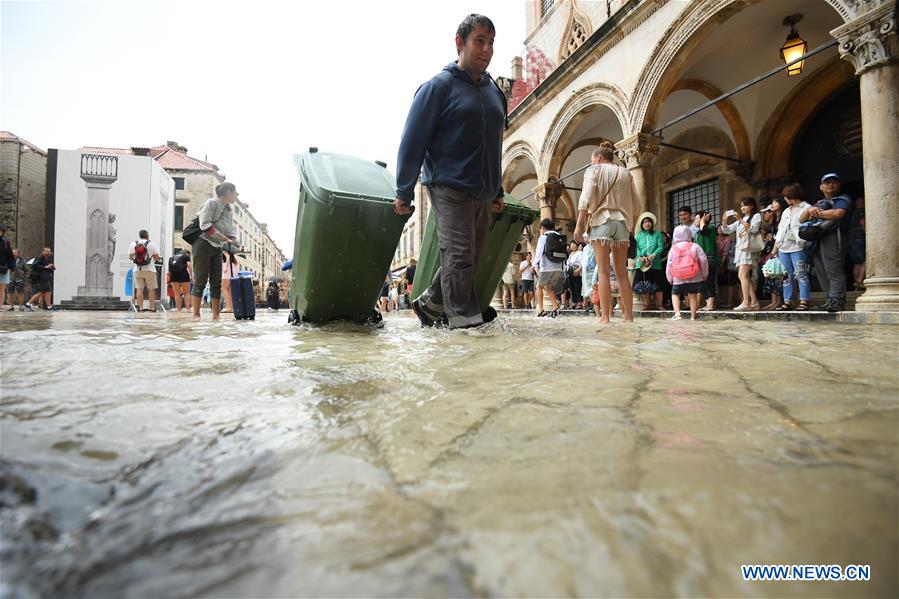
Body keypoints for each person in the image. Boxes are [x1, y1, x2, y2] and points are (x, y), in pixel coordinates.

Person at [395, 14, 506, 330]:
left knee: (469, 257)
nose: (486, 50)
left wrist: (497, 189)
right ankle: (464, 323)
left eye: (491, 43)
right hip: (449, 185)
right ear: (460, 43)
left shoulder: (494, 92)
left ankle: (430, 302)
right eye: (479, 41)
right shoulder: (438, 87)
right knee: (459, 257)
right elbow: (413, 140)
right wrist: (404, 190)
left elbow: (495, 145)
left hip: (483, 190)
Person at [573, 142, 641, 324]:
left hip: (601, 221)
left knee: (603, 271)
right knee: (621, 272)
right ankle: (629, 317)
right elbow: (637, 203)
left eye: (592, 160)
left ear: (599, 158)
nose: (592, 162)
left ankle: (605, 317)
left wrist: (579, 226)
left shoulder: (594, 170)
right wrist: (631, 227)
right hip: (622, 223)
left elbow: (585, 199)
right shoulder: (626, 173)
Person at [800, 173, 853, 312]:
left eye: (834, 182)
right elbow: (801, 219)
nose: (830, 184)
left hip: (835, 237)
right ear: (821, 186)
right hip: (818, 239)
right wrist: (809, 209)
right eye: (827, 182)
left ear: (839, 185)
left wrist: (817, 213)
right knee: (822, 271)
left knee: (834, 270)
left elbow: (838, 213)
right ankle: (829, 300)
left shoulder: (843, 199)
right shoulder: (818, 203)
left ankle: (837, 300)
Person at [192, 182, 239, 320]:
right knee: (200, 279)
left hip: (218, 246)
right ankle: (196, 314)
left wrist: (232, 239)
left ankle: (216, 315)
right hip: (203, 243)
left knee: (216, 281)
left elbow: (231, 229)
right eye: (235, 193)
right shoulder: (211, 203)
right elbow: (204, 224)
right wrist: (223, 237)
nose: (236, 195)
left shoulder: (228, 210)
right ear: (228, 192)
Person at [720, 197, 762, 311]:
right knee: (745, 276)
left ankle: (746, 302)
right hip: (741, 250)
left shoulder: (756, 216)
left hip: (749, 249)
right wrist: (724, 220)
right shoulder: (741, 219)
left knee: (742, 275)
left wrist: (740, 220)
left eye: (745, 205)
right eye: (741, 206)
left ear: (752, 206)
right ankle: (754, 302)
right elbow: (727, 230)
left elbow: (753, 229)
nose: (742, 208)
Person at [666, 225, 709, 321]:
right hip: (694, 276)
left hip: (678, 277)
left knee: (675, 294)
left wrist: (670, 278)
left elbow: (669, 264)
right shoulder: (695, 246)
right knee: (692, 295)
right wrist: (704, 274)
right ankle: (693, 317)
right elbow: (703, 260)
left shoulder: (674, 248)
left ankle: (677, 314)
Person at [633, 212, 665, 311]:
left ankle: (659, 304)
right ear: (642, 224)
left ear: (652, 223)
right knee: (643, 284)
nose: (647, 224)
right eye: (645, 222)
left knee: (657, 284)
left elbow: (660, 247)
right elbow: (636, 248)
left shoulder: (657, 234)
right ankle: (647, 304)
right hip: (642, 263)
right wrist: (641, 256)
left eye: (649, 222)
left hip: (655, 263)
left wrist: (654, 254)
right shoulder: (638, 236)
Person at [534, 218, 564, 317]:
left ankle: (541, 310)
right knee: (549, 287)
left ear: (542, 227)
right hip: (558, 266)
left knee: (539, 286)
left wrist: (534, 264)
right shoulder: (559, 236)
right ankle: (555, 307)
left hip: (546, 266)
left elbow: (539, 252)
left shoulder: (543, 237)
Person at [128, 230, 161, 313]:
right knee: (151, 289)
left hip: (137, 269)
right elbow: (156, 258)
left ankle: (141, 308)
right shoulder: (152, 244)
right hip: (150, 269)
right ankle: (152, 308)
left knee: (139, 289)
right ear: (147, 235)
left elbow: (130, 257)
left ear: (140, 235)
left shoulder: (133, 243)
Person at [692, 211, 718, 311]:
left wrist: (703, 220)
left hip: (709, 258)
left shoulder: (710, 228)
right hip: (700, 260)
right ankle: (708, 304)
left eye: (697, 219)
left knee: (709, 282)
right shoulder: (698, 233)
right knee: (703, 283)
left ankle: (711, 304)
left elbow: (705, 231)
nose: (695, 221)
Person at [848, 197, 866, 291]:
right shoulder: (861, 211)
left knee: (856, 263)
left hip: (850, 240)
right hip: (859, 238)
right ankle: (860, 282)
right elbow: (863, 223)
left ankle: (856, 283)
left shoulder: (851, 214)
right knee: (866, 260)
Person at [564, 241, 583, 309]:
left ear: (577, 245)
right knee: (572, 288)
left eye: (573, 244)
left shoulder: (580, 253)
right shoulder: (571, 253)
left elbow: (582, 263)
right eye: (571, 244)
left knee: (578, 287)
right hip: (570, 272)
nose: (572, 246)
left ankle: (579, 302)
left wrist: (578, 270)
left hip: (577, 272)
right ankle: (574, 302)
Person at [221, 245, 239, 313]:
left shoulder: (224, 250)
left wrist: (225, 267)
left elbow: (227, 257)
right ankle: (231, 307)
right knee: (230, 290)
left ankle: (228, 307)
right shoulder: (233, 258)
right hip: (233, 272)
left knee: (224, 288)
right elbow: (236, 264)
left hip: (227, 271)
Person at [0, 225, 14, 310]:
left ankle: (0, 306)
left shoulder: (5, 242)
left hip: (3, 268)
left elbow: (10, 255)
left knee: (1, 288)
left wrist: (12, 266)